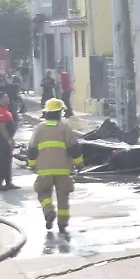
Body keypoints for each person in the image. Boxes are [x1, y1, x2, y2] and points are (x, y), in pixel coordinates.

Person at [27, 98, 83, 233]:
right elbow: (74, 148)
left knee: (42, 192)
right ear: (60, 113)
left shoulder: (39, 128)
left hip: (44, 170)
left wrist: (32, 164)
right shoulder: (65, 128)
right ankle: (62, 224)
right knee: (63, 197)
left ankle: (48, 210)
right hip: (63, 170)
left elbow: (32, 149)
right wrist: (79, 163)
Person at [0, 93, 19, 191]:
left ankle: (8, 183)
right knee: (3, 161)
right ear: (0, 99)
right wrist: (9, 140)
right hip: (1, 140)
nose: (8, 99)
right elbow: (2, 128)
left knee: (7, 161)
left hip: (5, 139)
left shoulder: (4, 110)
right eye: (6, 97)